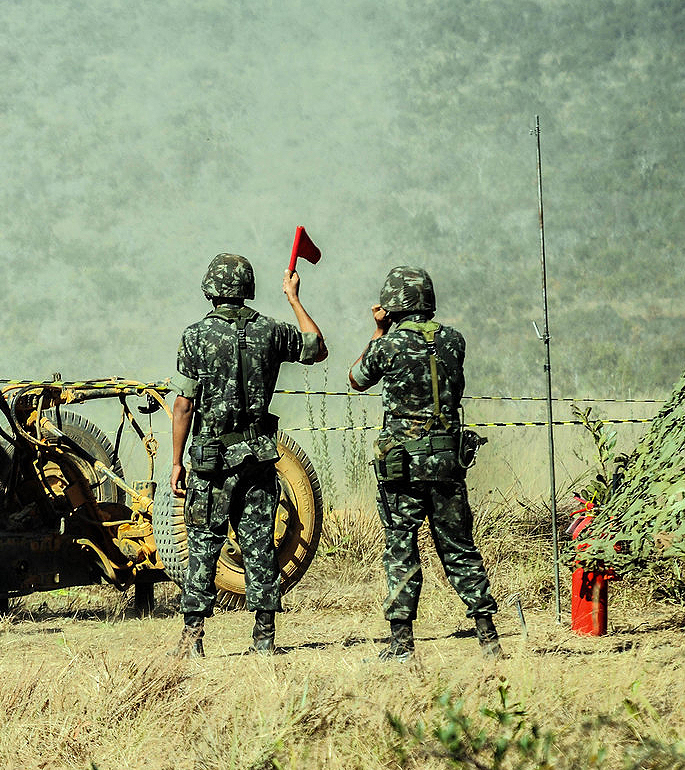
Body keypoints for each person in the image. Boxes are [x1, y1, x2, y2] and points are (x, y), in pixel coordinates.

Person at [170, 253, 327, 657]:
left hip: (212, 461)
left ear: (211, 289)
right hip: (257, 456)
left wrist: (175, 462)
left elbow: (184, 405)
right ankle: (264, 639)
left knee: (204, 545)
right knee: (259, 547)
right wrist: (293, 299)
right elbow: (316, 347)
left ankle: (193, 641)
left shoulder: (195, 336)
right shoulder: (271, 332)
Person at [348, 266, 502, 661]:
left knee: (401, 546)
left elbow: (357, 378)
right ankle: (489, 638)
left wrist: (378, 330)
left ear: (393, 302)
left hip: (404, 466)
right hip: (448, 461)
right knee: (460, 547)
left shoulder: (389, 345)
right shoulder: (455, 340)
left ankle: (402, 647)